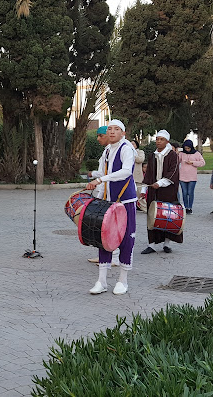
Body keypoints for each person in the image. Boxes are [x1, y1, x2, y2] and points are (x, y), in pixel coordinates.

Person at [84, 120, 137, 295]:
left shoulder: (127, 148)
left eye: (116, 129)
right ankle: (101, 281)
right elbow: (104, 173)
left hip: (125, 201)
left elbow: (126, 171)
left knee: (126, 239)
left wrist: (101, 179)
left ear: (123, 133)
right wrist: (96, 185)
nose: (112, 132)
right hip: (108, 200)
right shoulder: (107, 150)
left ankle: (123, 280)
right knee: (104, 239)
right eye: (110, 129)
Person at [141, 130, 182, 254]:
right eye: (157, 139)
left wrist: (160, 183)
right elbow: (148, 174)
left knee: (168, 216)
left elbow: (173, 172)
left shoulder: (172, 155)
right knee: (152, 216)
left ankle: (166, 243)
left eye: (161, 139)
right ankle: (151, 244)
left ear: (167, 141)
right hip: (153, 192)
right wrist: (144, 189)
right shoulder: (152, 155)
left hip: (168, 191)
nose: (158, 141)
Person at [87, 125, 119, 265]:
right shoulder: (106, 151)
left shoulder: (116, 149)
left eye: (101, 136)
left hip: (111, 193)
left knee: (112, 225)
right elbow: (102, 172)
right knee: (102, 226)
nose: (98, 139)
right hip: (103, 191)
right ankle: (104, 255)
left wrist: (97, 178)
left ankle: (115, 257)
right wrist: (94, 175)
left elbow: (110, 174)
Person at [179, 140, 205, 214]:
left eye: (188, 148)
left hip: (192, 177)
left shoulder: (196, 153)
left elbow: (203, 163)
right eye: (186, 148)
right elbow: (176, 161)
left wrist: (193, 163)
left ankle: (190, 207)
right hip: (182, 176)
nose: (187, 150)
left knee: (190, 192)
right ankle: (186, 207)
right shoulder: (181, 153)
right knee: (184, 192)